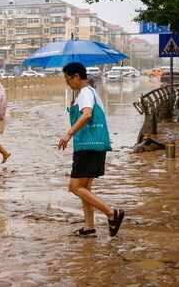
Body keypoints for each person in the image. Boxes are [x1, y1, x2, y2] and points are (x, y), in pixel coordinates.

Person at [58, 62, 124, 237]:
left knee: (74, 186)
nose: (67, 83)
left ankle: (111, 213)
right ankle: (89, 228)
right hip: (94, 145)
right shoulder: (89, 92)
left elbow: (87, 114)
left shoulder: (86, 93)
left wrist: (68, 134)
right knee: (85, 188)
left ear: (77, 77)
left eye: (67, 79)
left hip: (87, 146)